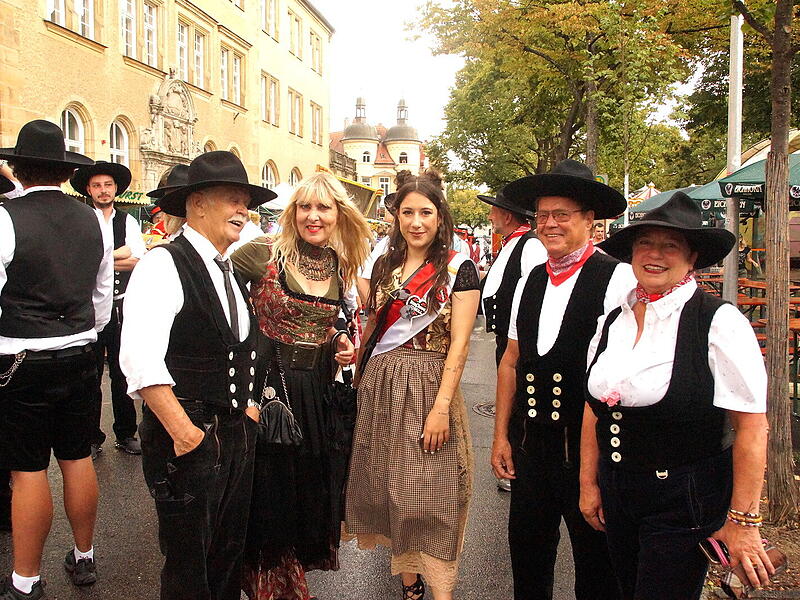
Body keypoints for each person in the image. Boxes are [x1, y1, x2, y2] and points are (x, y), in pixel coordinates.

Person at [580, 191, 772, 599]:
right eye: (646, 243)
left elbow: (752, 427)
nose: (655, 254)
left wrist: (743, 520)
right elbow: (594, 410)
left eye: (671, 245)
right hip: (618, 493)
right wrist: (589, 484)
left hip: (683, 499)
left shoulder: (718, 322)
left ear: (692, 258)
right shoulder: (614, 319)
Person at [119, 151, 276, 600]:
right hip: (187, 439)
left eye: (246, 201)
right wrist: (186, 435)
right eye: (233, 199)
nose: (243, 211)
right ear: (197, 203)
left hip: (234, 435)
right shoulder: (164, 264)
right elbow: (140, 359)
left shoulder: (227, 267)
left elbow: (238, 347)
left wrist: (246, 408)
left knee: (226, 557)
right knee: (189, 569)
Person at [491, 159, 634, 600]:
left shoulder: (617, 278)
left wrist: (596, 472)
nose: (549, 225)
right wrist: (501, 436)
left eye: (562, 215)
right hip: (533, 446)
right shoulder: (532, 278)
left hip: (588, 450)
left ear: (590, 220)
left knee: (596, 569)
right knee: (528, 559)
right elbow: (511, 360)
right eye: (543, 216)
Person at [230, 172, 371, 600]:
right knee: (268, 493)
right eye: (304, 207)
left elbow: (332, 321)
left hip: (314, 393)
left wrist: (340, 339)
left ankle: (288, 578)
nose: (313, 216)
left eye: (323, 208)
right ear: (292, 213)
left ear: (338, 214)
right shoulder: (262, 253)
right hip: (270, 392)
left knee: (303, 491)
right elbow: (219, 304)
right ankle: (268, 585)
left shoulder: (339, 263)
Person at [346, 170, 480, 600]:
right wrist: (354, 357)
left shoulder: (459, 268)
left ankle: (441, 590)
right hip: (381, 384)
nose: (416, 221)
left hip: (429, 385)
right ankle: (409, 583)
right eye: (407, 212)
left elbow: (459, 346)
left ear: (441, 217)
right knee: (388, 485)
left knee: (432, 493)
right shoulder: (384, 263)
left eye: (426, 212)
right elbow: (372, 325)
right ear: (396, 217)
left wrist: (441, 408)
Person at [0, 120, 113, 599]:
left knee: (27, 470)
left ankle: (26, 580)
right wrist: (89, 332)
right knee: (76, 457)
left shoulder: (5, 217)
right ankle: (84, 557)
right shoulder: (92, 218)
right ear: (66, 173)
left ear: (18, 169)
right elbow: (102, 291)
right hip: (81, 351)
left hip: (22, 355)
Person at [71, 161, 146, 457]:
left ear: (115, 189)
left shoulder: (127, 221)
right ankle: (91, 435)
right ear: (88, 189)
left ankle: (125, 433)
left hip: (120, 307)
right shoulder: (81, 219)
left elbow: (137, 257)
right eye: (97, 185)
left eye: (108, 185)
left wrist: (101, 257)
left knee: (121, 372)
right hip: (86, 310)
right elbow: (77, 260)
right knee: (88, 375)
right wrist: (118, 254)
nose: (103, 190)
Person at [478, 191, 547, 492]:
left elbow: (534, 292)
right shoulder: (514, 243)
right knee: (511, 400)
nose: (490, 216)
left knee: (517, 403)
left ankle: (516, 464)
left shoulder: (530, 246)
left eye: (494, 211)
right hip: (506, 339)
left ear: (507, 215)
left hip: (517, 341)